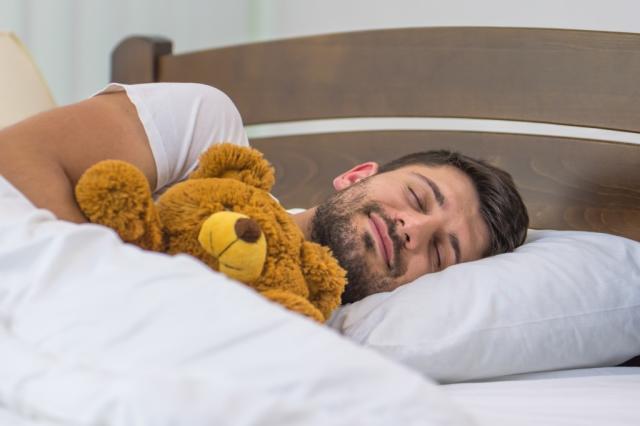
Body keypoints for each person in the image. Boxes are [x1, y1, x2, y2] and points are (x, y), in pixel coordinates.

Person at [0, 83, 529, 304]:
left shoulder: (310, 335)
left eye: (439, 253)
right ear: (355, 174)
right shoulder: (209, 131)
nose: (411, 229)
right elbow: (15, 157)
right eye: (417, 198)